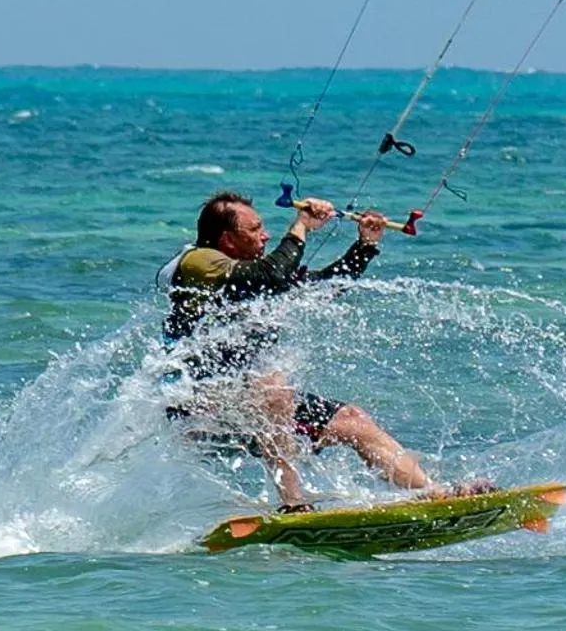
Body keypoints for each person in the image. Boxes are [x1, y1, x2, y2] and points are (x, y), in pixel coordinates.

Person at [159, 190, 482, 512]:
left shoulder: (256, 277)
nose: (265, 235)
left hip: (252, 408)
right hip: (199, 407)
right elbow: (271, 275)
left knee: (354, 421)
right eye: (255, 229)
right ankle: (293, 503)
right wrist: (302, 225)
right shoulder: (200, 261)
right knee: (273, 385)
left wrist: (366, 244)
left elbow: (326, 285)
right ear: (227, 239)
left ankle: (433, 493)